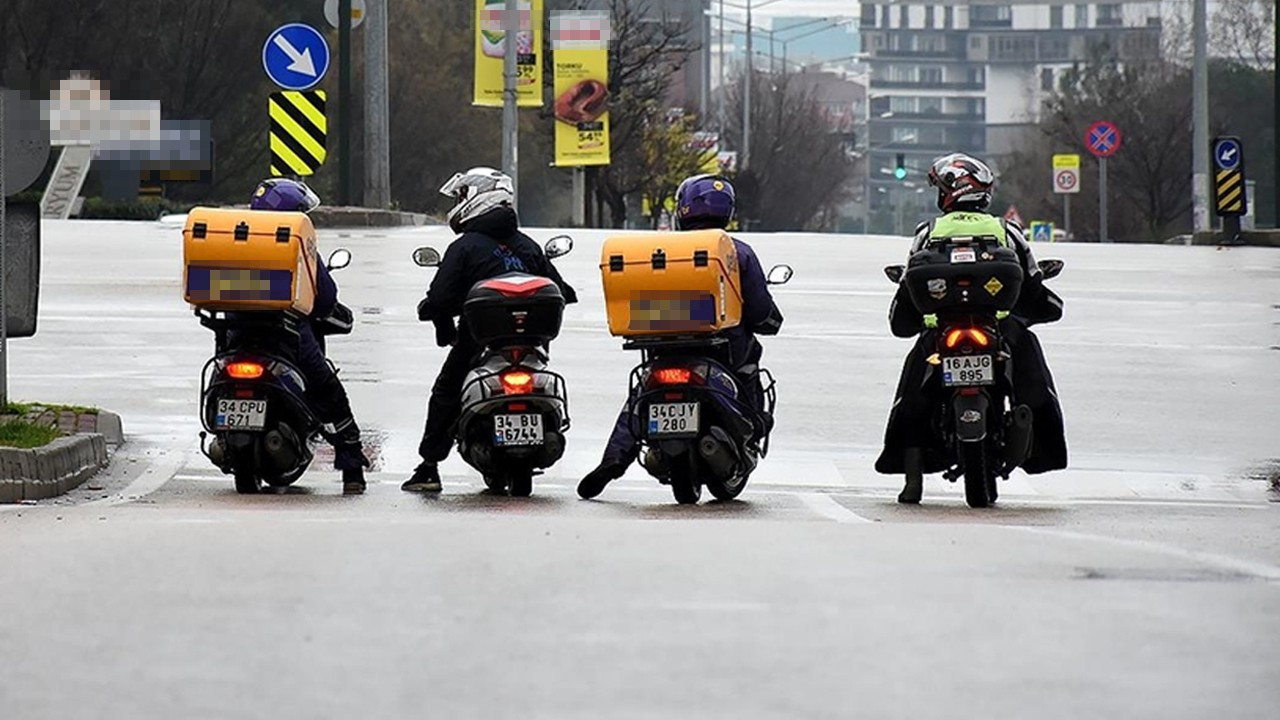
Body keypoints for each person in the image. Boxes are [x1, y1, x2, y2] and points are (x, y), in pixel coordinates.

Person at [577, 174, 784, 500]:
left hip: (665, 347)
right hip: (724, 351)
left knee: (641, 394)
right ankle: (753, 426)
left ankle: (613, 460)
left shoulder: (662, 249)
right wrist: (770, 319)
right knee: (749, 369)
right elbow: (759, 310)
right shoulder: (737, 252)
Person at [875, 153, 1067, 503]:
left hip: (939, 332)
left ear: (949, 191)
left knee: (912, 390)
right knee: (1032, 376)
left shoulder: (927, 232)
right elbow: (1033, 279)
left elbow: (907, 288)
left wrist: (910, 317)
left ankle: (912, 478)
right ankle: (1042, 449)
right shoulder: (1006, 230)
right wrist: (1046, 305)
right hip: (1000, 328)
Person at [402, 167, 578, 492]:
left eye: (461, 196)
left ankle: (429, 467)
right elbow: (563, 291)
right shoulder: (527, 246)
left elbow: (440, 298)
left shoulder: (465, 247)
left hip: (478, 343)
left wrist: (443, 327)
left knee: (446, 392)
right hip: (533, 348)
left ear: (477, 198)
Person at [248, 178, 369, 495]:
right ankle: (352, 469)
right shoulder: (299, 250)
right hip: (289, 342)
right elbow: (326, 299)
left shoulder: (235, 242)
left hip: (237, 339)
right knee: (331, 395)